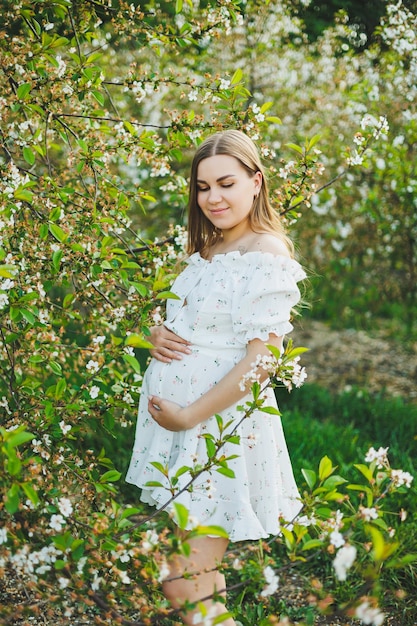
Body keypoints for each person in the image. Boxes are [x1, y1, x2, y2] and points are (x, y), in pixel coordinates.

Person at [126, 129, 306, 626]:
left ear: (256, 181)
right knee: (200, 577)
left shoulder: (264, 253)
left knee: (181, 578)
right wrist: (156, 335)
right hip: (182, 433)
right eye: (203, 187)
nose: (212, 198)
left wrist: (187, 415)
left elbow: (261, 359)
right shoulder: (207, 250)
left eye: (225, 183)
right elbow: (200, 326)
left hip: (216, 430)